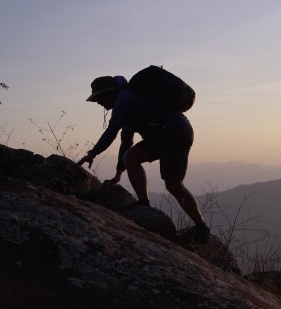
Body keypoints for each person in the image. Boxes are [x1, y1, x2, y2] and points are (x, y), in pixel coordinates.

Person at [77, 75, 210, 243]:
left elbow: (111, 131)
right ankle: (143, 202)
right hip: (162, 135)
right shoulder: (126, 104)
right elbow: (126, 142)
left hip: (176, 133)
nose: (98, 103)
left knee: (173, 184)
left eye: (99, 98)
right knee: (131, 157)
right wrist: (119, 173)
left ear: (110, 93)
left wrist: (92, 153)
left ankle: (201, 228)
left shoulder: (124, 100)